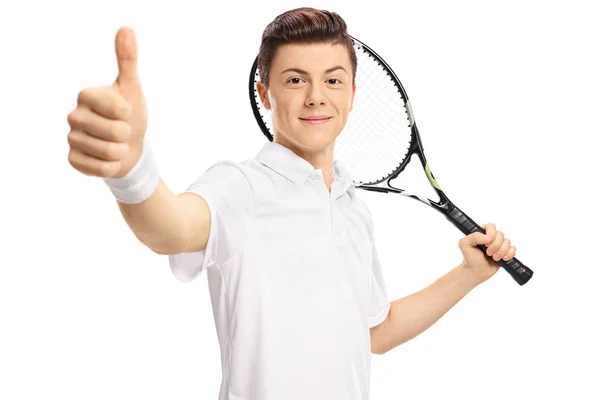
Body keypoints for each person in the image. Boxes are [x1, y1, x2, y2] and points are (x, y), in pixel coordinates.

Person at [66, 7, 517, 400]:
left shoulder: (351, 208)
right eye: (296, 79)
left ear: (353, 94)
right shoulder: (240, 185)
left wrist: (469, 275)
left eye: (333, 80)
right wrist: (132, 172)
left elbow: (375, 332)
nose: (317, 95)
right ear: (265, 95)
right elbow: (171, 228)